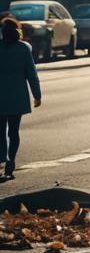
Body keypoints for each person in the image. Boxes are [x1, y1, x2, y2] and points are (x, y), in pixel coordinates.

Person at [0, 18, 41, 180]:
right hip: (17, 96)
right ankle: (10, 164)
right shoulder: (24, 48)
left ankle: (1, 159)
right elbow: (32, 74)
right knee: (14, 132)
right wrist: (37, 95)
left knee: (0, 131)